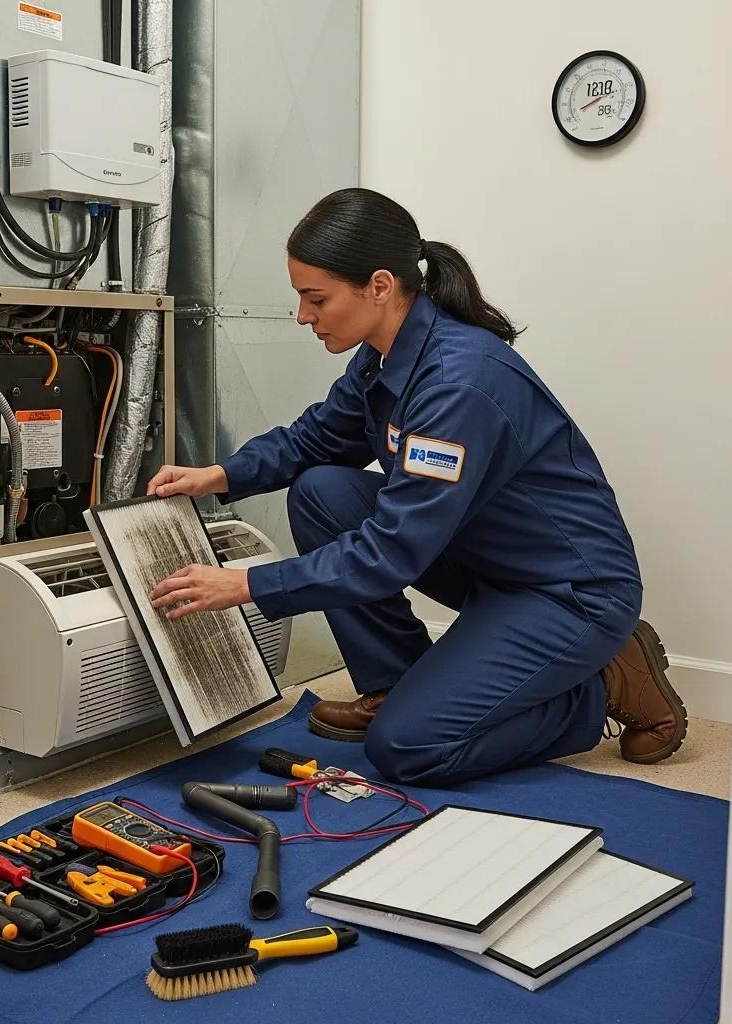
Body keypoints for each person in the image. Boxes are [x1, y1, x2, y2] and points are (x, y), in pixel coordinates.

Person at [147, 187, 687, 788]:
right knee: (322, 490)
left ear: (379, 286)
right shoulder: (385, 353)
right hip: (484, 558)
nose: (304, 315)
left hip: (567, 591)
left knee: (409, 747)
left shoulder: (458, 382)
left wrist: (247, 583)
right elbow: (319, 439)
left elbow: (391, 553)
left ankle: (601, 686)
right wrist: (219, 475)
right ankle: (395, 686)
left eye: (315, 298)